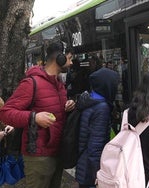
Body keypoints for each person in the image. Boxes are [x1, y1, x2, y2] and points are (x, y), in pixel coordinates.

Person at [0, 41, 75, 188]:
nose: (71, 62)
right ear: (60, 58)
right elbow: (5, 113)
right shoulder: (32, 83)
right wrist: (34, 117)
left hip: (57, 152)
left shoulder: (59, 83)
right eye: (70, 58)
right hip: (38, 156)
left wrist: (68, 106)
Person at [75, 67, 119, 188]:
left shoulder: (89, 100)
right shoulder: (102, 108)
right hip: (91, 172)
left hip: (84, 165)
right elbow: (96, 146)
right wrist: (98, 175)